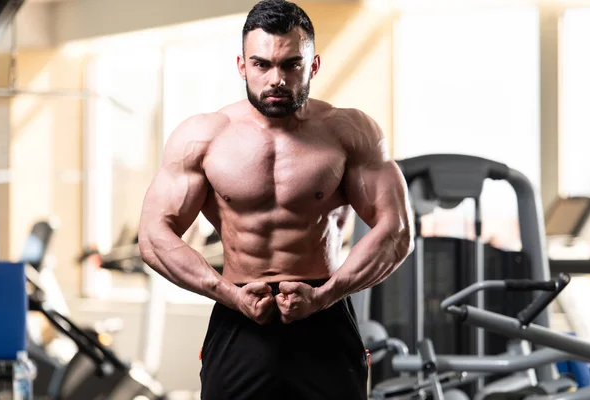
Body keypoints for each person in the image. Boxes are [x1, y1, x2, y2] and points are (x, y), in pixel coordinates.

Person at [138, 0, 414, 398]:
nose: (276, 79)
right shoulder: (203, 137)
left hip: (323, 317)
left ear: (313, 65)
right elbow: (153, 236)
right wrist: (229, 295)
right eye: (262, 64)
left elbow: (396, 230)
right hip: (240, 315)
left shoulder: (349, 133)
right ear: (241, 66)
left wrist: (324, 297)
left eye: (291, 65)